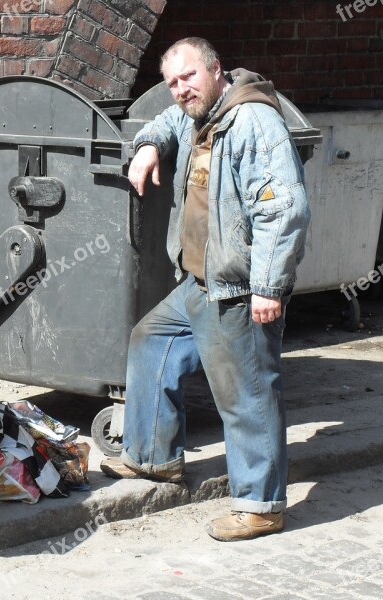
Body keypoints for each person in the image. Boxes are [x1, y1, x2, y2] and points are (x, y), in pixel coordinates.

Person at [100, 37, 311, 542]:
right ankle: (152, 458)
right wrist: (148, 144)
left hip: (238, 288)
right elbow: (170, 123)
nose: (180, 90)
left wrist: (267, 287)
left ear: (217, 70)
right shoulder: (201, 115)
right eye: (172, 83)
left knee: (247, 393)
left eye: (189, 76)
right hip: (198, 280)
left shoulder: (253, 122)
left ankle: (260, 504)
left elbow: (283, 209)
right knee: (152, 339)